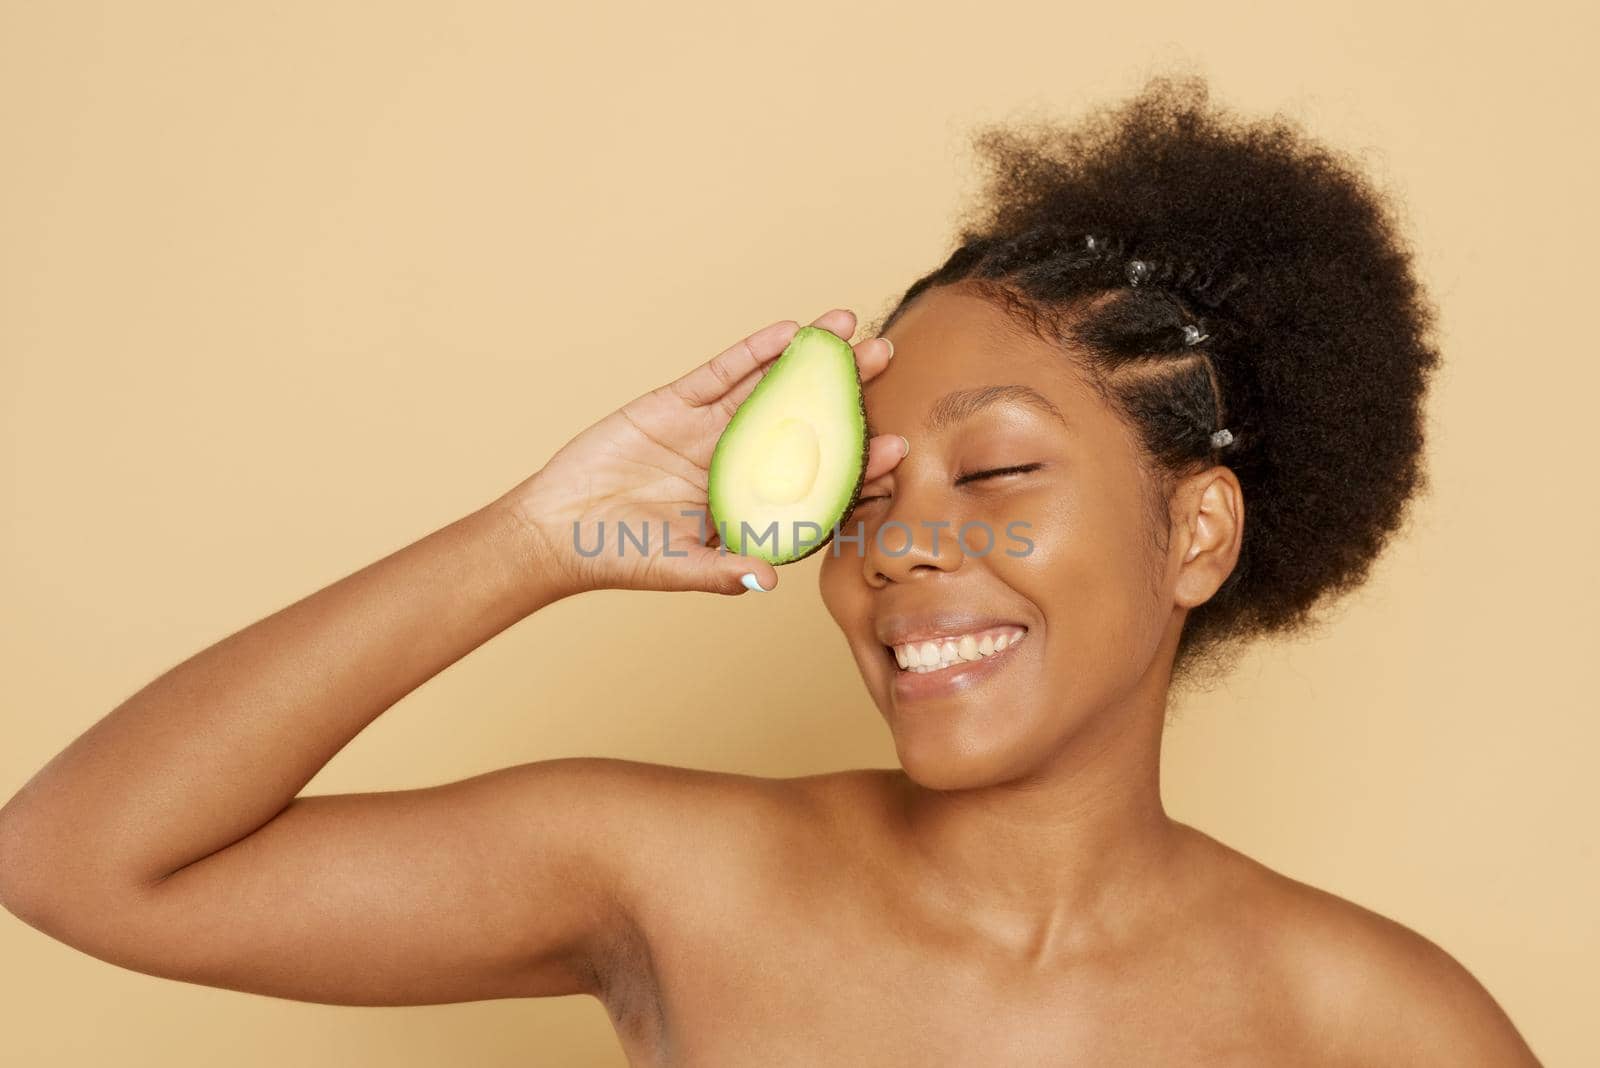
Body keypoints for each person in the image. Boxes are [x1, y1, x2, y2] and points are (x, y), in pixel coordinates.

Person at [0, 75, 1541, 1065]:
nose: (906, 543)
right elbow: (77, 863)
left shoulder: (1378, 1025)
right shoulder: (671, 880)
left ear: (1194, 533)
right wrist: (537, 539)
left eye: (996, 470)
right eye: (859, 498)